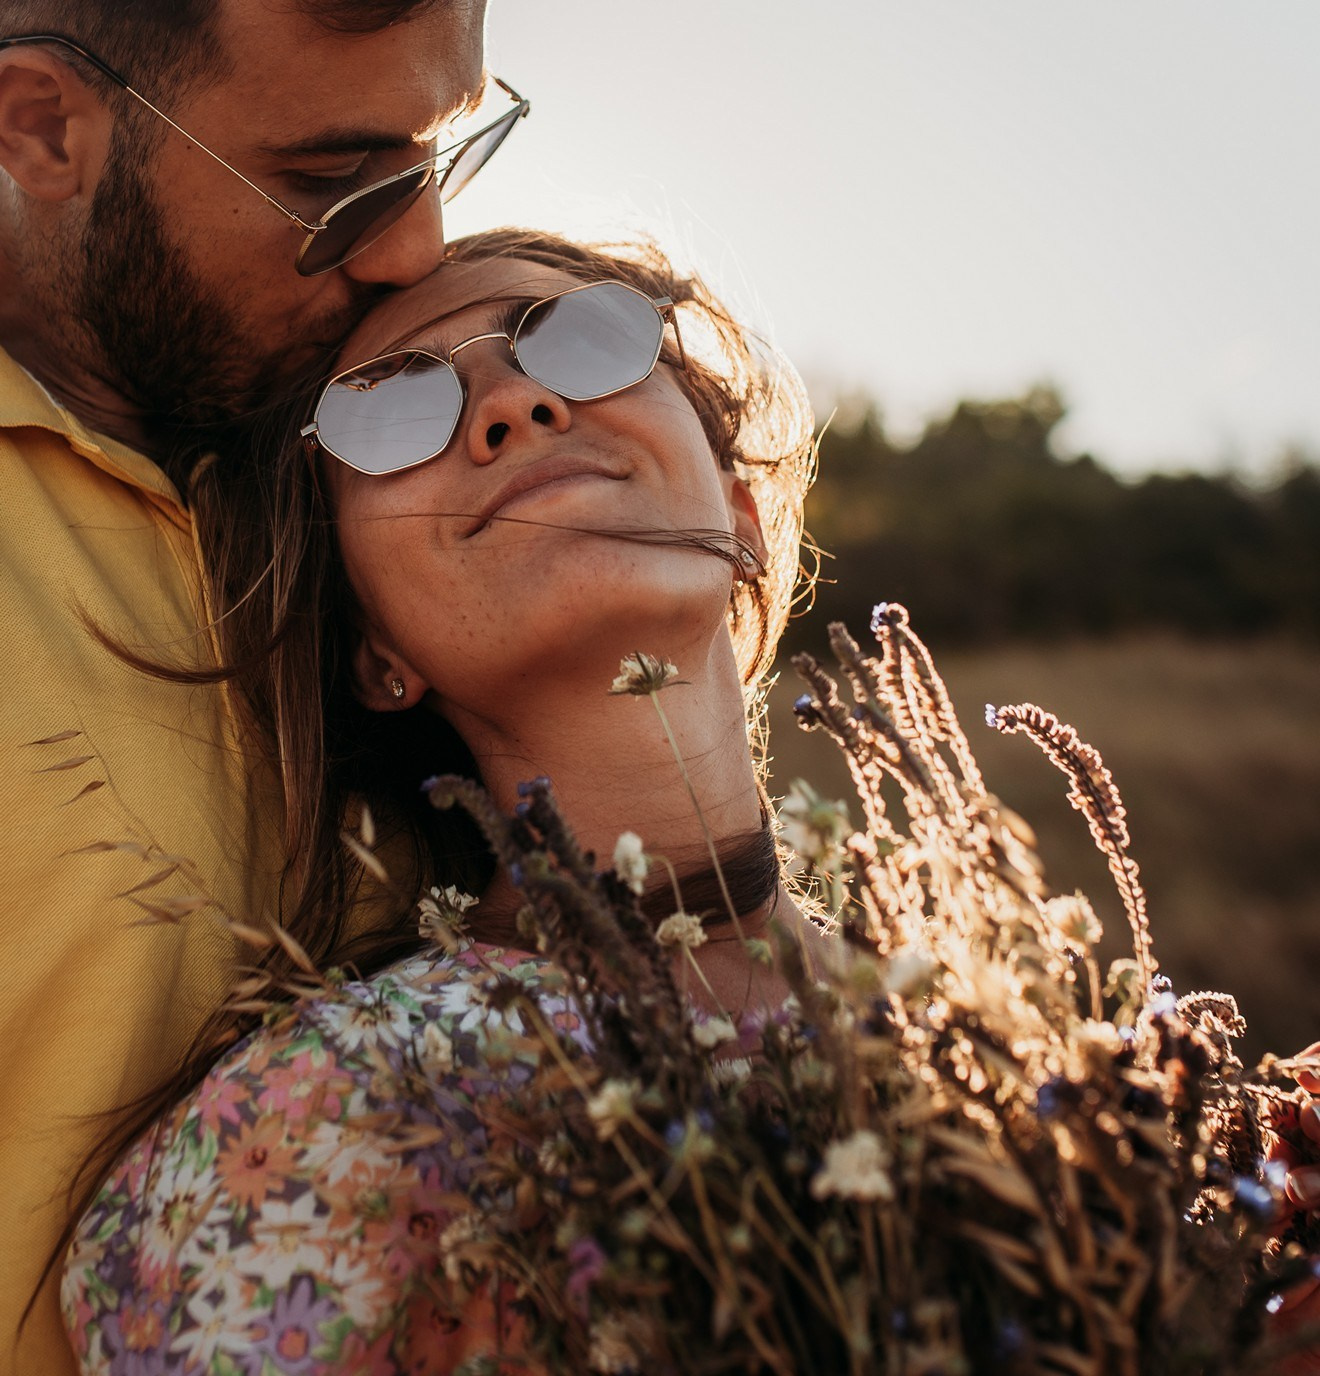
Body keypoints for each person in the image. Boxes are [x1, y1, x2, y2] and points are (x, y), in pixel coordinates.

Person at [59, 226, 825, 1374]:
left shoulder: (982, 1021)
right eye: (393, 409)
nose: (510, 405)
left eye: (577, 337)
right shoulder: (333, 1116)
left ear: (742, 511)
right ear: (374, 650)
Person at [0, 3, 518, 1368]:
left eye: (432, 157)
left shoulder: (398, 464)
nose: (417, 247)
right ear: (43, 127)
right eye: (331, 181)